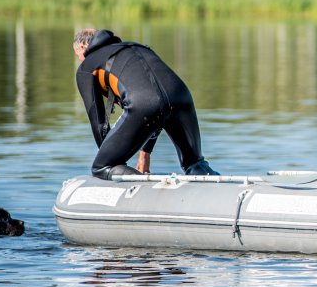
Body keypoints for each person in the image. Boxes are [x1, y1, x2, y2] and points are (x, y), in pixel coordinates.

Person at [72, 28, 219, 180]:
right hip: (182, 97)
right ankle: (228, 192)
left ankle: (144, 188)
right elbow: (158, 106)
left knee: (101, 167)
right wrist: (145, 153)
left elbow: (99, 121)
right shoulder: (136, 47)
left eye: (78, 57)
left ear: (83, 48)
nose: (80, 61)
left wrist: (111, 159)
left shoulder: (87, 66)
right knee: (194, 163)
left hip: (144, 104)